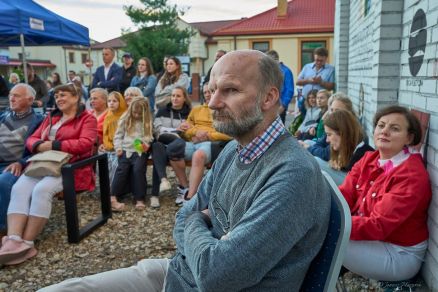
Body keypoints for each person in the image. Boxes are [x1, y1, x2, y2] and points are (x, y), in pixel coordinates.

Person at [41, 49, 331, 292]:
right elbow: (181, 218)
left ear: (268, 98)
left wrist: (197, 221)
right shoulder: (234, 149)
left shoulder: (293, 174)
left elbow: (217, 276)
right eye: (213, 90)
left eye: (229, 90)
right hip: (176, 272)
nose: (214, 102)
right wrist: (201, 224)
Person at [0, 83, 96, 265]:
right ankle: (13, 240)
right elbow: (31, 139)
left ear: (76, 97)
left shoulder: (86, 118)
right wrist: (37, 145)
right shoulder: (51, 117)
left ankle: (27, 243)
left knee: (41, 190)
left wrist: (54, 145)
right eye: (57, 95)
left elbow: (86, 143)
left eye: (64, 95)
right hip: (43, 163)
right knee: (20, 187)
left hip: (70, 167)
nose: (59, 98)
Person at [340, 105, 431, 282]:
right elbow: (345, 194)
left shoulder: (411, 175)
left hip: (399, 253)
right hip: (370, 239)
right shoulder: (368, 159)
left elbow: (378, 226)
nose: (385, 132)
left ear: (409, 138)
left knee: (324, 237)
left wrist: (331, 222)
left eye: (394, 128)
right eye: (381, 126)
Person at [173, 82, 232, 204]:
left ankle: (191, 198)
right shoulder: (196, 110)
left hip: (211, 144)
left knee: (198, 156)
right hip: (194, 141)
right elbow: (185, 129)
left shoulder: (223, 110)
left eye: (209, 91)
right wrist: (195, 132)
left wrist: (208, 136)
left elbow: (229, 133)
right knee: (173, 152)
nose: (207, 94)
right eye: (204, 92)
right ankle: (185, 187)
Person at [0, 84, 43, 236]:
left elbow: (40, 149)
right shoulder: (3, 116)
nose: (11, 98)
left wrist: (22, 162)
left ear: (30, 100)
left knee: (3, 182)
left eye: (17, 95)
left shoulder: (38, 121)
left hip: (17, 164)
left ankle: (3, 230)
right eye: (11, 94)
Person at [151, 86, 191, 208]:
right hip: (164, 143)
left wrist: (178, 131)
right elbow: (157, 129)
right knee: (157, 146)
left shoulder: (189, 113)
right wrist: (175, 130)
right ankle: (161, 185)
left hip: (178, 147)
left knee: (159, 151)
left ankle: (155, 193)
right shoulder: (162, 111)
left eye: (178, 96)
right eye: (173, 95)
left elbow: (189, 131)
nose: (175, 98)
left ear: (184, 98)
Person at [111, 97, 153, 211]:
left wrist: (146, 144)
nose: (137, 115)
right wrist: (118, 147)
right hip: (125, 150)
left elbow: (149, 136)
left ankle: (139, 198)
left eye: (140, 113)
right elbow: (118, 135)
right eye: (134, 112)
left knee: (138, 171)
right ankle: (113, 196)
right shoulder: (125, 118)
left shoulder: (147, 121)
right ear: (130, 110)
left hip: (139, 151)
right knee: (121, 171)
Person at [318, 109, 373, 185]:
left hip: (352, 190)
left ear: (343, 133)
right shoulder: (349, 150)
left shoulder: (365, 154)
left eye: (329, 134)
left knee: (317, 162)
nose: (327, 140)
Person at [301, 92, 353, 161]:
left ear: (348, 111)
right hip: (332, 159)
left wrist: (308, 148)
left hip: (344, 169)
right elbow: (319, 142)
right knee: (307, 142)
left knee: (316, 160)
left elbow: (326, 154)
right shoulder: (334, 123)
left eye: (338, 111)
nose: (333, 113)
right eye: (331, 110)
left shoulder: (346, 127)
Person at [99, 91, 128, 212]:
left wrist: (114, 147)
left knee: (116, 165)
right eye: (109, 101)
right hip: (108, 147)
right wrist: (103, 144)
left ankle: (113, 195)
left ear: (120, 102)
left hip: (120, 148)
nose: (111, 103)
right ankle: (106, 191)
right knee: (102, 164)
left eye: (115, 101)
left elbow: (123, 136)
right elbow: (106, 134)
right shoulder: (108, 115)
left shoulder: (124, 115)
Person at [266, 50, 294, 124]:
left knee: (279, 131)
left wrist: (283, 106)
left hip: (279, 106)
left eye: (269, 61)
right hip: (267, 105)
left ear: (276, 60)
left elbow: (289, 90)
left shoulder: (286, 71)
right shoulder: (268, 71)